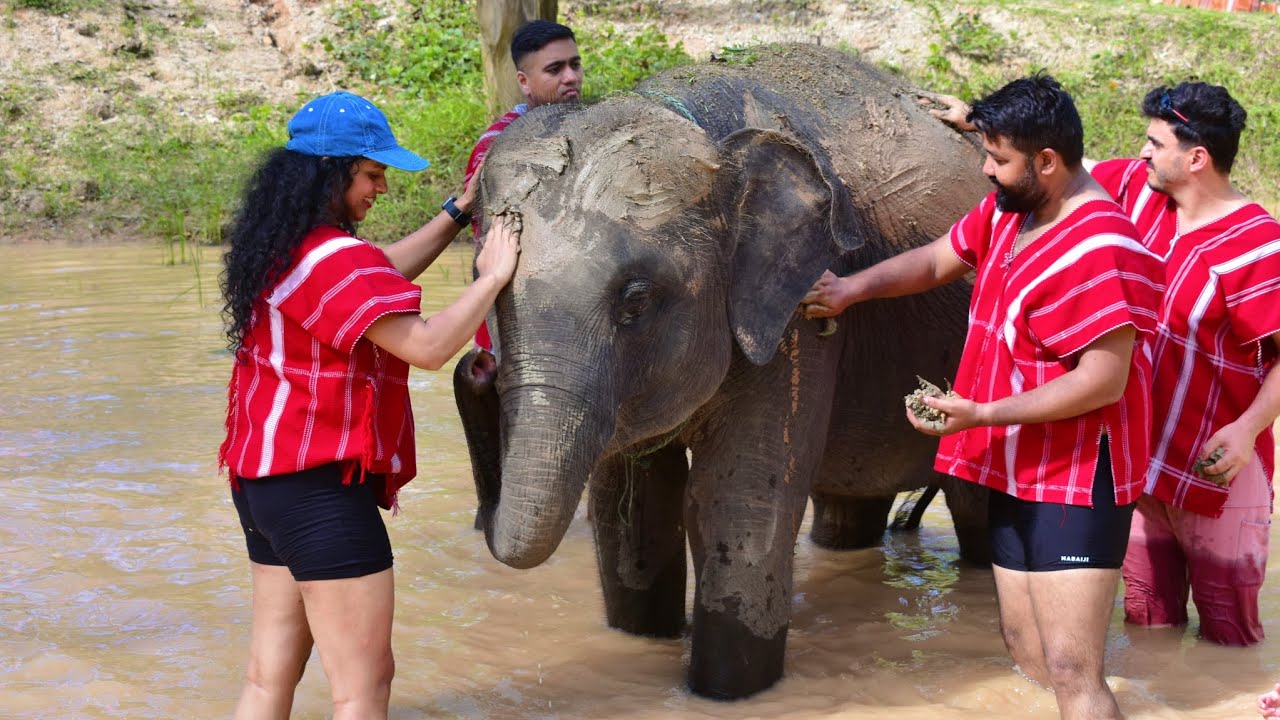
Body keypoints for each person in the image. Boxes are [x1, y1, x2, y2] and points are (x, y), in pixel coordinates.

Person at [804, 74, 1163, 719]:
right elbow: (942, 257)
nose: (988, 171)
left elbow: (1101, 380)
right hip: (1013, 462)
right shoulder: (1010, 212)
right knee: (1024, 647)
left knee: (1072, 668)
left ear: (1047, 162)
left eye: (998, 159)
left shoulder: (1103, 248)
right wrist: (852, 289)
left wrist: (983, 413)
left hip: (1078, 478)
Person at [929, 82, 1280, 646]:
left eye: (1153, 143)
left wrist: (1247, 431)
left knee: (1229, 633)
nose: (1140, 153)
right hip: (1142, 460)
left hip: (1219, 463)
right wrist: (974, 120)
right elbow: (1061, 161)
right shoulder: (1136, 195)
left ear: (1196, 158)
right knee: (1148, 624)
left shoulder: (1258, 245)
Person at [217, 90, 520, 719]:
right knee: (364, 685)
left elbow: (376, 271)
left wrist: (459, 212)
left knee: (267, 676)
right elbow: (431, 346)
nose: (379, 189)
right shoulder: (333, 258)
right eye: (372, 175)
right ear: (331, 174)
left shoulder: (283, 250)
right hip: (320, 492)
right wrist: (492, 276)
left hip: (264, 485)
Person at [464, 18, 582, 351]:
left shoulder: (587, 129)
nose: (571, 77)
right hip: (515, 335)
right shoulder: (498, 148)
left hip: (574, 324)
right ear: (524, 82)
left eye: (575, 64)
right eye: (555, 69)